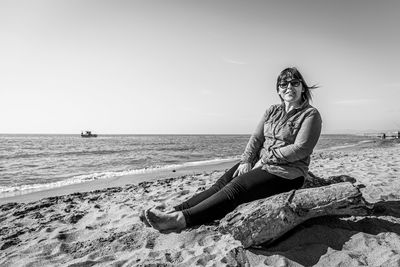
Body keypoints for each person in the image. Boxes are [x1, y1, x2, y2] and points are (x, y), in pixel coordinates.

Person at [142, 67, 322, 233]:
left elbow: (301, 149)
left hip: (288, 173)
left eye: (294, 83)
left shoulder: (310, 114)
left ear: (302, 88)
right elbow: (257, 138)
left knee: (236, 188)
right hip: (260, 163)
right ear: (278, 90)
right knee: (221, 184)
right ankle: (173, 210)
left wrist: (266, 159)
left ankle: (179, 220)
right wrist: (246, 161)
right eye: (283, 84)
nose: (288, 87)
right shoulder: (272, 110)